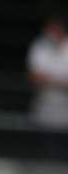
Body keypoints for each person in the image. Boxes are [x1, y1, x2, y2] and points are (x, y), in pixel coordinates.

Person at [28, 13, 68, 160]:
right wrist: (61, 82)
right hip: (45, 101)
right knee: (46, 141)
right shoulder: (40, 46)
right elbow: (35, 76)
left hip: (66, 103)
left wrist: (49, 80)